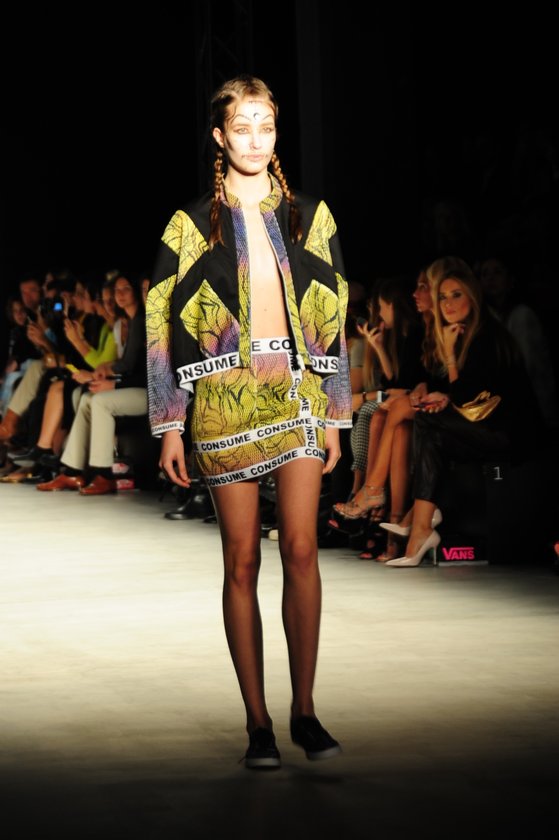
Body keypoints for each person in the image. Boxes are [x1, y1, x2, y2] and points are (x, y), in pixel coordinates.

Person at [145, 75, 352, 769]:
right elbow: (157, 322)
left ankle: (305, 711)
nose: (255, 140)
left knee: (302, 548)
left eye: (265, 127)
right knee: (241, 557)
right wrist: (169, 421)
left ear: (276, 132)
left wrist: (336, 410)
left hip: (297, 390)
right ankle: (257, 722)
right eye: (242, 127)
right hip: (223, 397)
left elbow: (334, 312)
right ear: (219, 135)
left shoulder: (309, 217)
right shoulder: (189, 223)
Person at [385, 265, 541, 567]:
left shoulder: (487, 336)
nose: (448, 303)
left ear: (473, 296)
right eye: (443, 297)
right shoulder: (466, 333)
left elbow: (467, 397)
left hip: (511, 435)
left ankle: (418, 525)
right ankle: (419, 526)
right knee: (429, 427)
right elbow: (462, 394)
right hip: (488, 427)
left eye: (456, 295)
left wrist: (449, 356)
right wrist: (441, 394)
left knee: (428, 423)